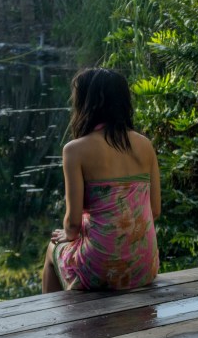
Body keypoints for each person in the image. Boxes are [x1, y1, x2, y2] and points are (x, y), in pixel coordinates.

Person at [41, 68, 161, 293]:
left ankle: (52, 316)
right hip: (144, 267)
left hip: (100, 268)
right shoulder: (145, 144)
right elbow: (155, 210)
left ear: (87, 104)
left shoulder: (75, 150)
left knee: (52, 249)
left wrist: (68, 235)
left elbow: (73, 225)